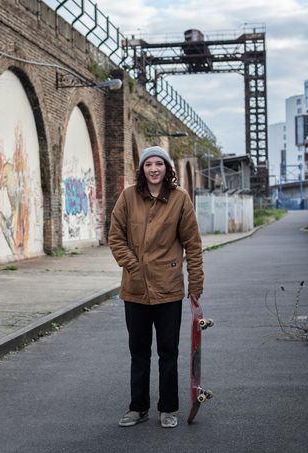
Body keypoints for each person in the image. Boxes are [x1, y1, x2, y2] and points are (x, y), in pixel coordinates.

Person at [108, 145, 204, 428]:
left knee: (168, 353)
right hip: (135, 289)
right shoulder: (128, 197)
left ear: (167, 168)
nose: (153, 169)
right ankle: (138, 408)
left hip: (169, 288)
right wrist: (133, 264)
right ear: (141, 169)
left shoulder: (179, 199)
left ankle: (168, 408)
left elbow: (193, 245)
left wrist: (195, 286)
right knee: (138, 352)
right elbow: (116, 237)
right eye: (148, 164)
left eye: (158, 164)